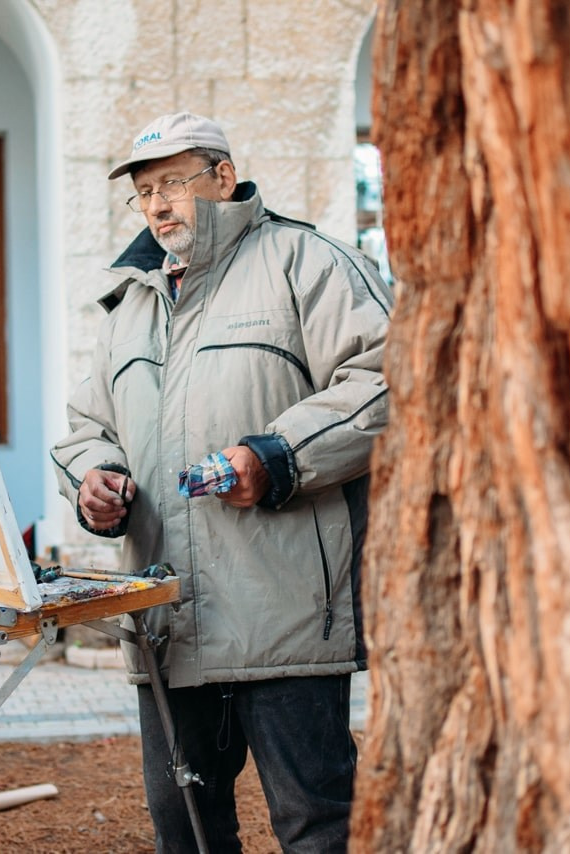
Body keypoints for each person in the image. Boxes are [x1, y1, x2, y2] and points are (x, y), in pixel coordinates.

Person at [51, 111, 392, 853]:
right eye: (145, 192)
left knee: (317, 828)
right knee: (188, 832)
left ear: (224, 177)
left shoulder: (307, 262)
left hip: (287, 616)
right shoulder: (130, 303)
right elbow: (86, 427)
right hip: (168, 622)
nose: (159, 205)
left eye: (174, 183)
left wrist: (278, 455)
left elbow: (386, 379)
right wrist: (95, 481)